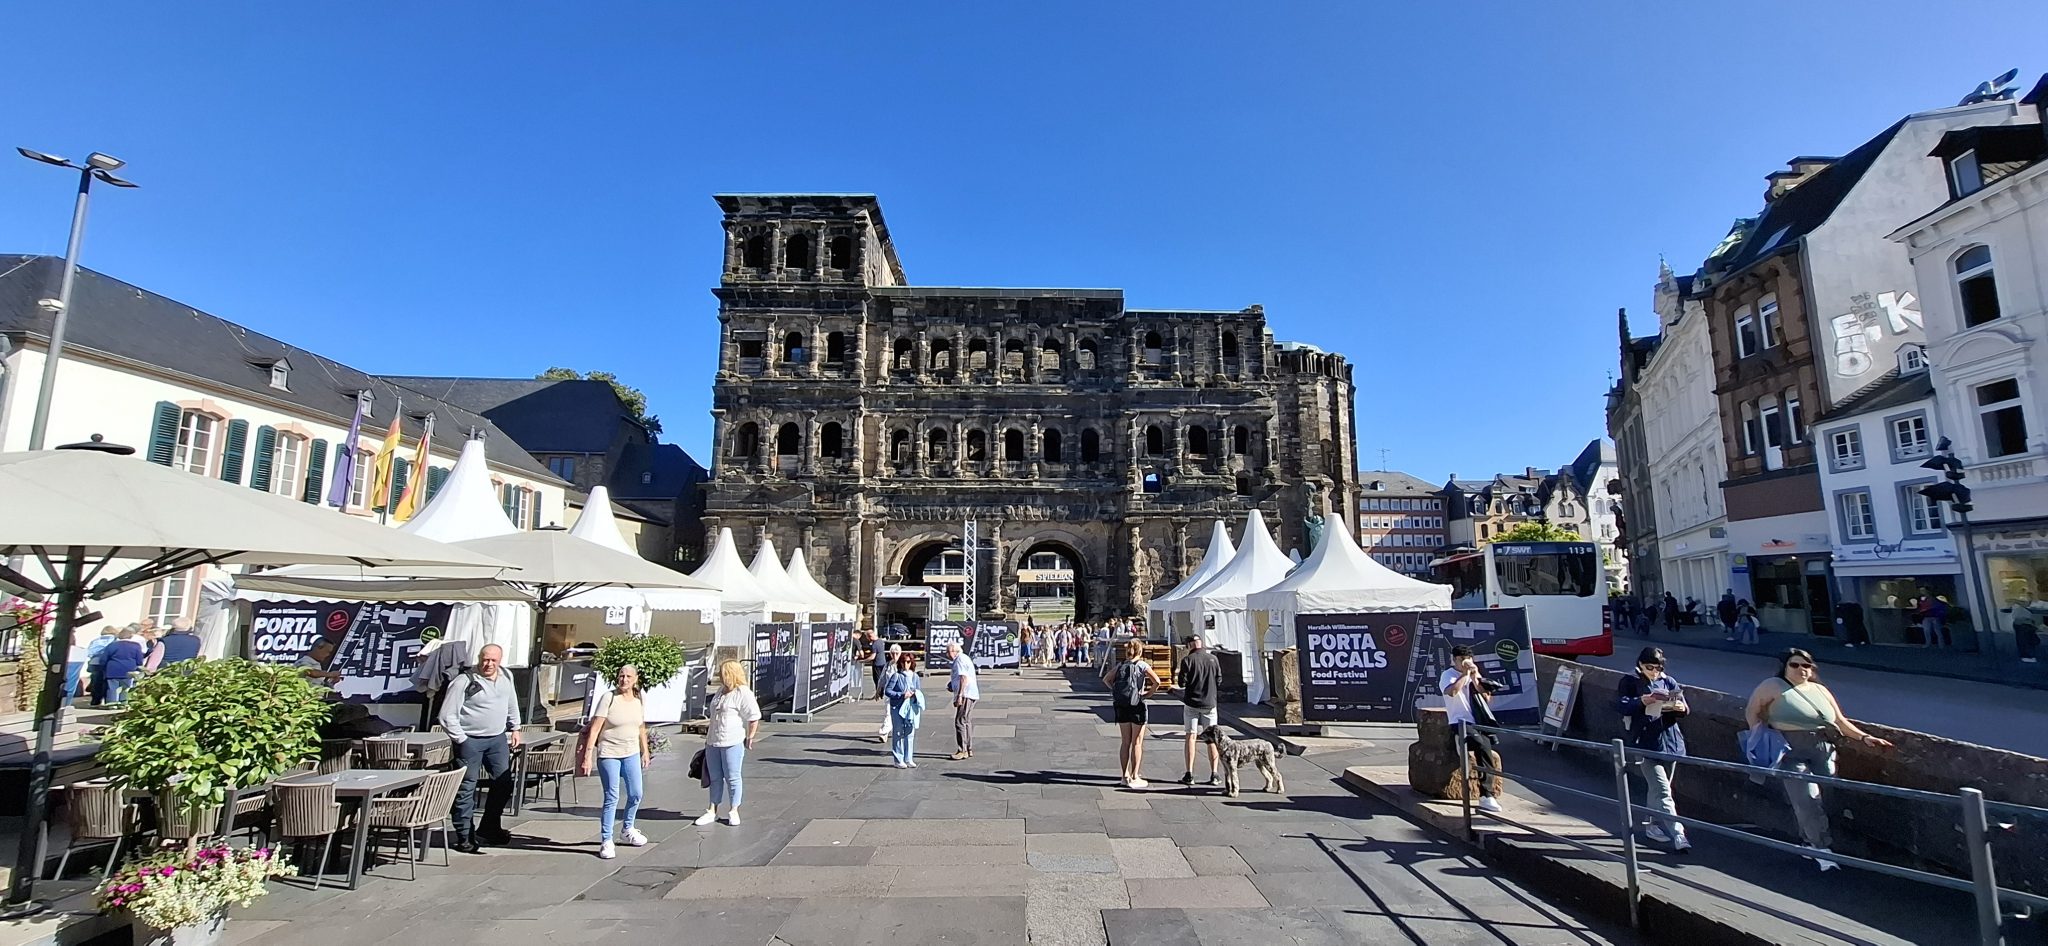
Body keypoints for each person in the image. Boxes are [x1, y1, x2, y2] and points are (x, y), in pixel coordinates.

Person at [1745, 648, 1893, 871]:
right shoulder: (1772, 686)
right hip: (1789, 748)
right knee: (1806, 798)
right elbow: (1752, 711)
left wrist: (1865, 737)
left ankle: (1808, 842)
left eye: (1806, 665)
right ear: (1785, 666)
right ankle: (1822, 849)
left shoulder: (1820, 690)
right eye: (1795, 665)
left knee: (1825, 796)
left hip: (1823, 747)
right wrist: (1761, 737)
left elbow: (1840, 721)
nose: (1801, 670)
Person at [440, 643, 523, 853]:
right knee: (466, 788)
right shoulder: (464, 681)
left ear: (500, 660)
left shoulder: (506, 676)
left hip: (497, 739)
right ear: (479, 658)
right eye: (485, 659)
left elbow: (511, 702)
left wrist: (515, 727)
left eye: (493, 660)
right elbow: (446, 715)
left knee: (503, 783)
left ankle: (489, 828)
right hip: (470, 740)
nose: (489, 664)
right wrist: (461, 740)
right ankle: (464, 836)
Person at [1616, 647, 1690, 850]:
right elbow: (1621, 705)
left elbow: (1684, 708)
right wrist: (1641, 701)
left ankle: (1651, 825)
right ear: (1640, 664)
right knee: (1663, 791)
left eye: (1658, 668)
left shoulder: (1669, 681)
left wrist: (1680, 708)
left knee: (1657, 790)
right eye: (1650, 667)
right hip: (1646, 743)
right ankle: (1678, 834)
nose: (1654, 672)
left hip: (1671, 743)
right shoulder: (1630, 681)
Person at [579, 664, 652, 859]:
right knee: (612, 796)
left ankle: (628, 828)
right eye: (621, 676)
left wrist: (645, 751)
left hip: (631, 752)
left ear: (635, 679)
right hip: (609, 753)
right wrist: (587, 756)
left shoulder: (639, 699)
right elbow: (595, 728)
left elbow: (641, 726)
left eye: (628, 676)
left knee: (636, 793)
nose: (624, 680)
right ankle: (606, 840)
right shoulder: (609, 698)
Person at [697, 659, 760, 826]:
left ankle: (734, 809)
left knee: (732, 777)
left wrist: (750, 736)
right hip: (713, 741)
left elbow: (753, 716)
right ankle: (712, 810)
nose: (720, 675)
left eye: (723, 672)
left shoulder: (742, 692)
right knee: (715, 777)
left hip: (732, 741)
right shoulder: (720, 691)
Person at [1440, 645, 1502, 813]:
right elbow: (1452, 692)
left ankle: (1486, 795)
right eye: (1461, 660)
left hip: (1477, 721)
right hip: (1459, 721)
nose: (1464, 662)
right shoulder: (1448, 675)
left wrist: (1475, 678)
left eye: (1467, 659)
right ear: (1454, 660)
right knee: (1479, 744)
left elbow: (1486, 699)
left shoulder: (1475, 674)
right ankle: (1460, 742)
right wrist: (1464, 675)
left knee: (1486, 748)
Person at [1103, 640, 1161, 788]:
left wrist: (1116, 691)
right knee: (1137, 742)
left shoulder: (1121, 665)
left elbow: (1106, 679)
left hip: (1122, 705)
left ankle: (1124, 776)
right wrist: (1147, 694)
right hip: (1137, 705)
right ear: (1140, 651)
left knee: (1125, 742)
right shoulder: (1142, 665)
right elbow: (1157, 681)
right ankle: (1135, 776)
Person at [1175, 635, 1222, 787]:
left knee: (1190, 736)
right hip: (1209, 703)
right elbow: (1219, 680)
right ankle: (1214, 774)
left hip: (1192, 703)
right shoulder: (1213, 659)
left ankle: (1189, 773)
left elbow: (1181, 683)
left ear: (1190, 645)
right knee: (1212, 739)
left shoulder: (1187, 660)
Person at [884, 651, 924, 768]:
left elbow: (919, 691)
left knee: (910, 732)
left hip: (911, 707)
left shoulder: (915, 676)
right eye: (904, 662)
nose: (906, 664)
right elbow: (888, 691)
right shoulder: (896, 676)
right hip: (897, 707)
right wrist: (901, 694)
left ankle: (908, 758)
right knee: (898, 732)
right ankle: (898, 759)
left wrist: (915, 694)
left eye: (908, 662)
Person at [946, 641, 979, 760]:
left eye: (948, 652)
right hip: (971, 693)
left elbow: (964, 678)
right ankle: (968, 749)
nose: (947, 654)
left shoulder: (959, 659)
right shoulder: (964, 658)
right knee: (966, 721)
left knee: (960, 721)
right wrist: (953, 685)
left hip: (966, 694)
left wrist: (960, 695)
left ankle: (962, 750)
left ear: (954, 651)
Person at [100, 627, 148, 704]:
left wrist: (103, 667)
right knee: (126, 688)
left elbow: (104, 658)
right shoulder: (136, 645)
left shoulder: (112, 645)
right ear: (131, 636)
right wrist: (139, 667)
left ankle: (112, 704)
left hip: (113, 669)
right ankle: (123, 703)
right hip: (129, 669)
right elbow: (139, 659)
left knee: (112, 688)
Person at [81, 626, 118, 704]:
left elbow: (89, 652)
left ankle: (95, 700)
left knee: (95, 681)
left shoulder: (96, 640)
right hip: (107, 663)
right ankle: (106, 699)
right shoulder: (114, 640)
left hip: (95, 663)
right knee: (106, 682)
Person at [876, 642, 903, 743]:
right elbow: (882, 678)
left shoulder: (903, 664)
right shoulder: (888, 665)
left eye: (897, 653)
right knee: (888, 713)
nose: (895, 655)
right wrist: (878, 690)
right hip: (889, 693)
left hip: (900, 693)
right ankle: (884, 733)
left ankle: (892, 730)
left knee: (899, 714)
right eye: (893, 653)